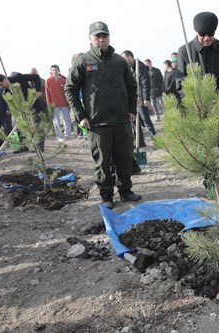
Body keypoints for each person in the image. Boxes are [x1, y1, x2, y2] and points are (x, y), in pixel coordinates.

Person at [65, 21, 141, 209]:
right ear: (90, 39)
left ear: (109, 37)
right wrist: (81, 115)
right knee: (102, 160)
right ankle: (106, 195)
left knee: (124, 157)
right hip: (97, 123)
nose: (101, 40)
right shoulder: (83, 62)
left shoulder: (119, 61)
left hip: (122, 120)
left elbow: (132, 86)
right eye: (97, 37)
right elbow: (70, 89)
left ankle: (126, 191)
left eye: (104, 36)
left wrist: (132, 110)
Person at [176, 11, 219, 198]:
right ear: (195, 32)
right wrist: (197, 103)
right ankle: (211, 186)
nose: (206, 39)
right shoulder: (185, 51)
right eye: (202, 35)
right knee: (204, 152)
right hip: (199, 112)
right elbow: (180, 84)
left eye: (210, 35)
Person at [0, 72, 47, 153]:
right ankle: (24, 145)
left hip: (33, 103)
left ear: (5, 79)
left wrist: (38, 90)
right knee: (21, 127)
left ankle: (40, 146)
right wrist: (9, 108)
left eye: (2, 84)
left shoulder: (17, 77)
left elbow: (36, 76)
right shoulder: (1, 90)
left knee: (38, 124)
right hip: (21, 109)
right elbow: (8, 100)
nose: (2, 87)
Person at [121, 51, 156, 147]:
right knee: (134, 121)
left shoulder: (139, 67)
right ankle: (140, 142)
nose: (124, 60)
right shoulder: (129, 68)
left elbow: (145, 83)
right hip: (134, 99)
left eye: (125, 58)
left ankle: (156, 140)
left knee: (145, 119)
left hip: (141, 99)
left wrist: (146, 98)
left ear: (130, 57)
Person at [45, 64, 72, 142]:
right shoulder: (48, 81)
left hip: (64, 104)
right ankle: (59, 136)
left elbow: (67, 92)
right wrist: (49, 105)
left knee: (67, 119)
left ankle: (68, 134)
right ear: (51, 71)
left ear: (59, 70)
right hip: (54, 105)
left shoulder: (63, 80)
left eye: (56, 70)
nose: (54, 71)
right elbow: (47, 93)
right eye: (53, 70)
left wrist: (68, 103)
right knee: (56, 121)